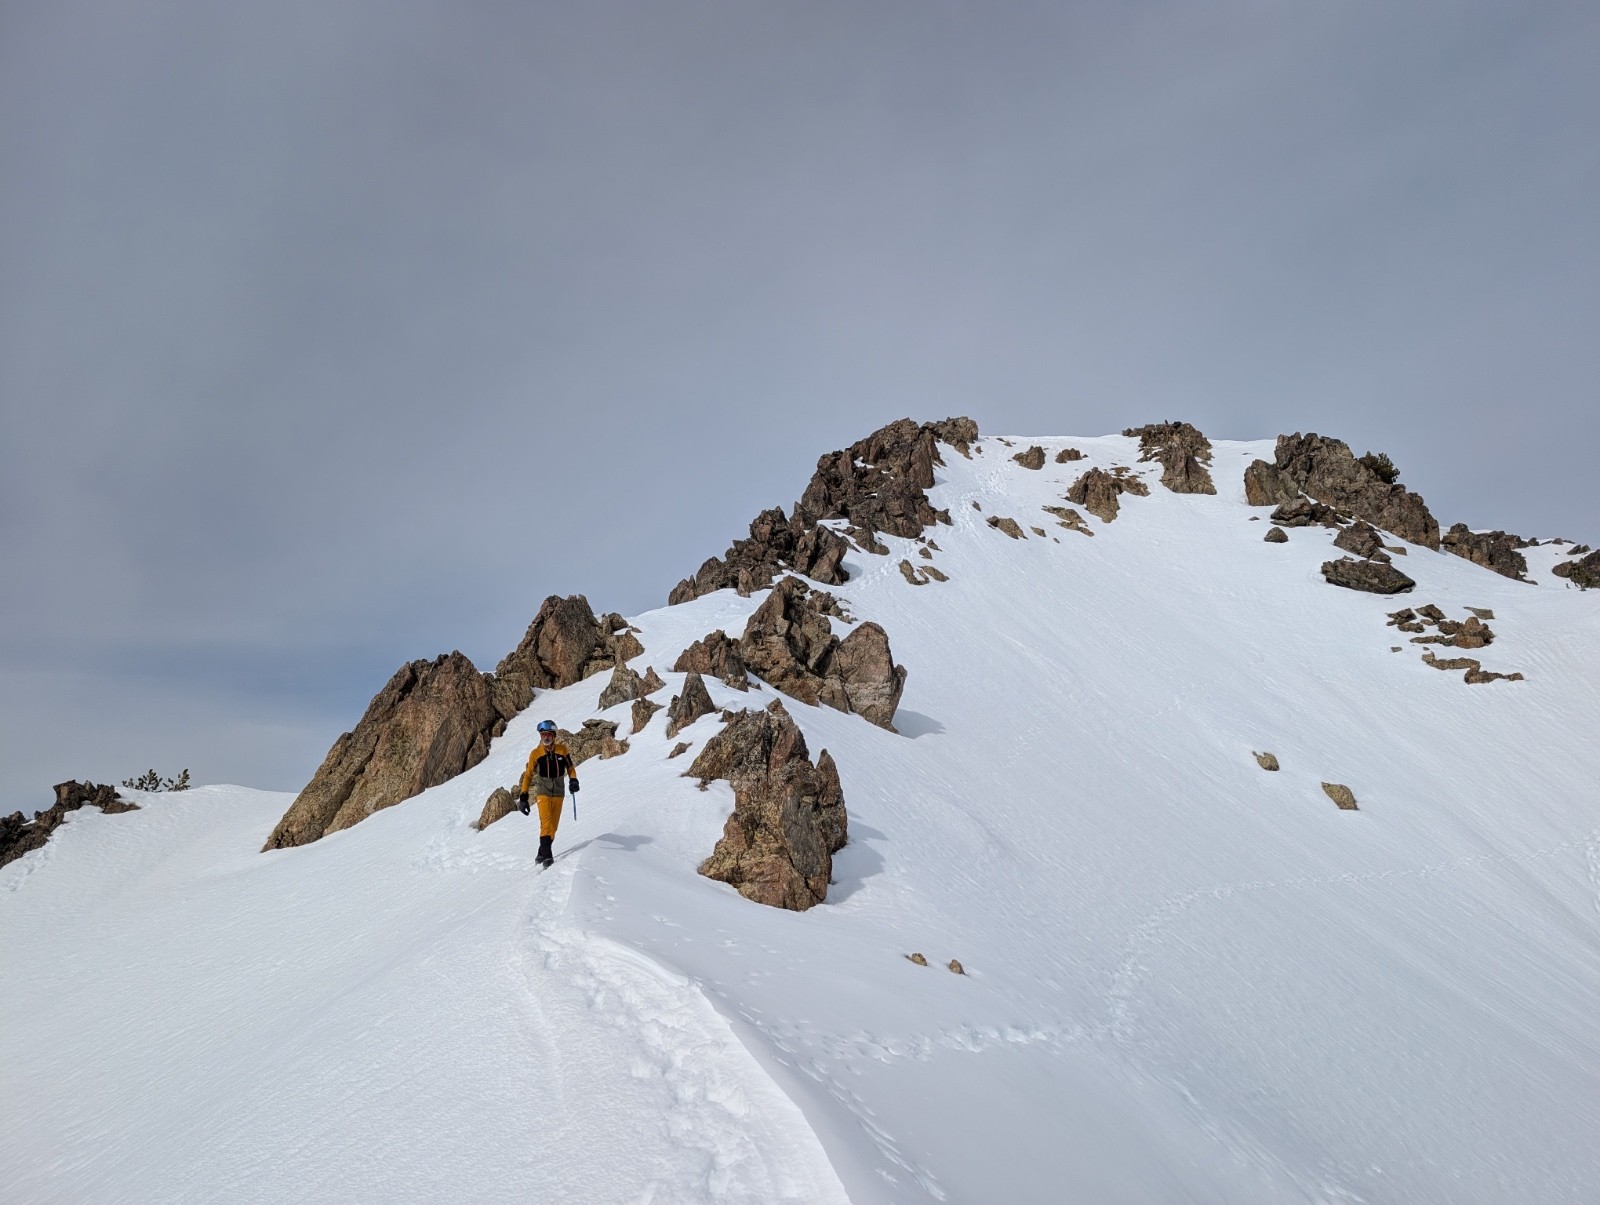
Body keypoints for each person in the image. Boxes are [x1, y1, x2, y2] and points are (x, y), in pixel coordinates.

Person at [518, 719, 579, 868]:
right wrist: (523, 797)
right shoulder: (535, 754)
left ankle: (541, 852)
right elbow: (528, 775)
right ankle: (547, 858)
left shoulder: (562, 750)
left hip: (559, 792)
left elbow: (570, 768)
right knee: (546, 824)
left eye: (548, 735)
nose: (545, 737)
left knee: (553, 827)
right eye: (543, 735)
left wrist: (573, 780)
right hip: (543, 793)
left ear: (553, 736)